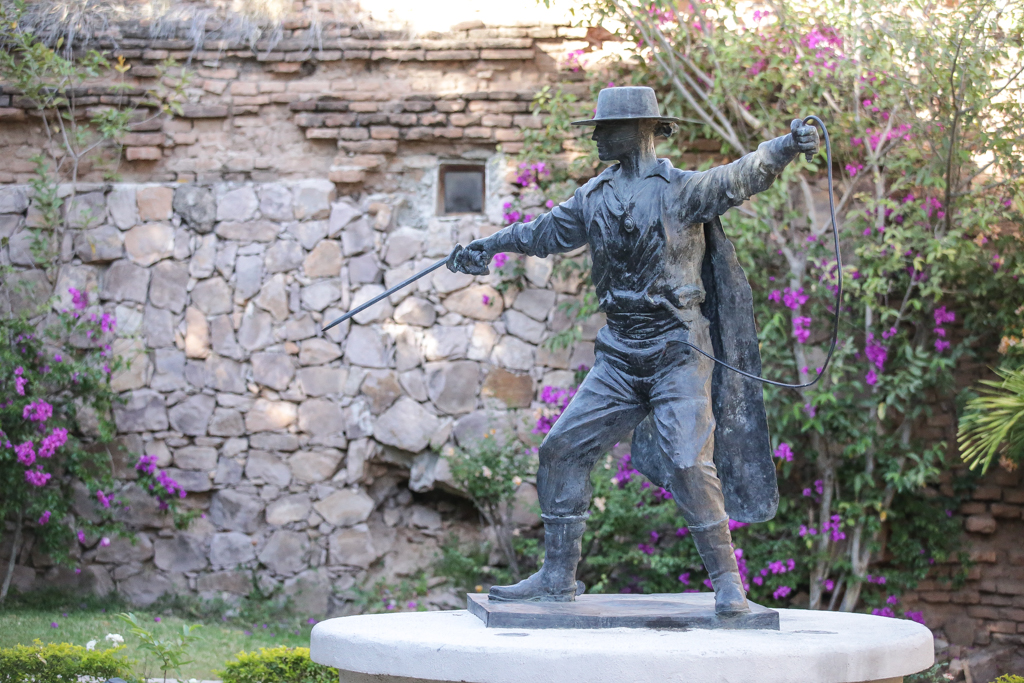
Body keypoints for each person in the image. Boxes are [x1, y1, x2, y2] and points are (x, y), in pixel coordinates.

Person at [447, 86, 819, 616]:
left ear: (641, 130)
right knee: (561, 451)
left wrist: (784, 146)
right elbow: (543, 233)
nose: (597, 137)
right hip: (618, 358)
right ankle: (557, 579)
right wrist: (490, 245)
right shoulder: (592, 197)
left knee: (689, 460)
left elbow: (739, 177)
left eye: (606, 128)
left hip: (676, 354)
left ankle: (729, 586)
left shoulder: (682, 190)